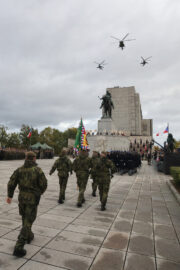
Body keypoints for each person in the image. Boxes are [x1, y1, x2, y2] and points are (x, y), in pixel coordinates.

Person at [6, 151, 47, 257]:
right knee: (28, 221)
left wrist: (10, 196)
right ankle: (19, 246)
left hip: (22, 198)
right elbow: (44, 184)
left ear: (26, 158)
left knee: (25, 218)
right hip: (32, 199)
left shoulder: (19, 170)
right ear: (33, 158)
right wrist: (39, 192)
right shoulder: (37, 170)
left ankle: (29, 235)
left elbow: (11, 183)